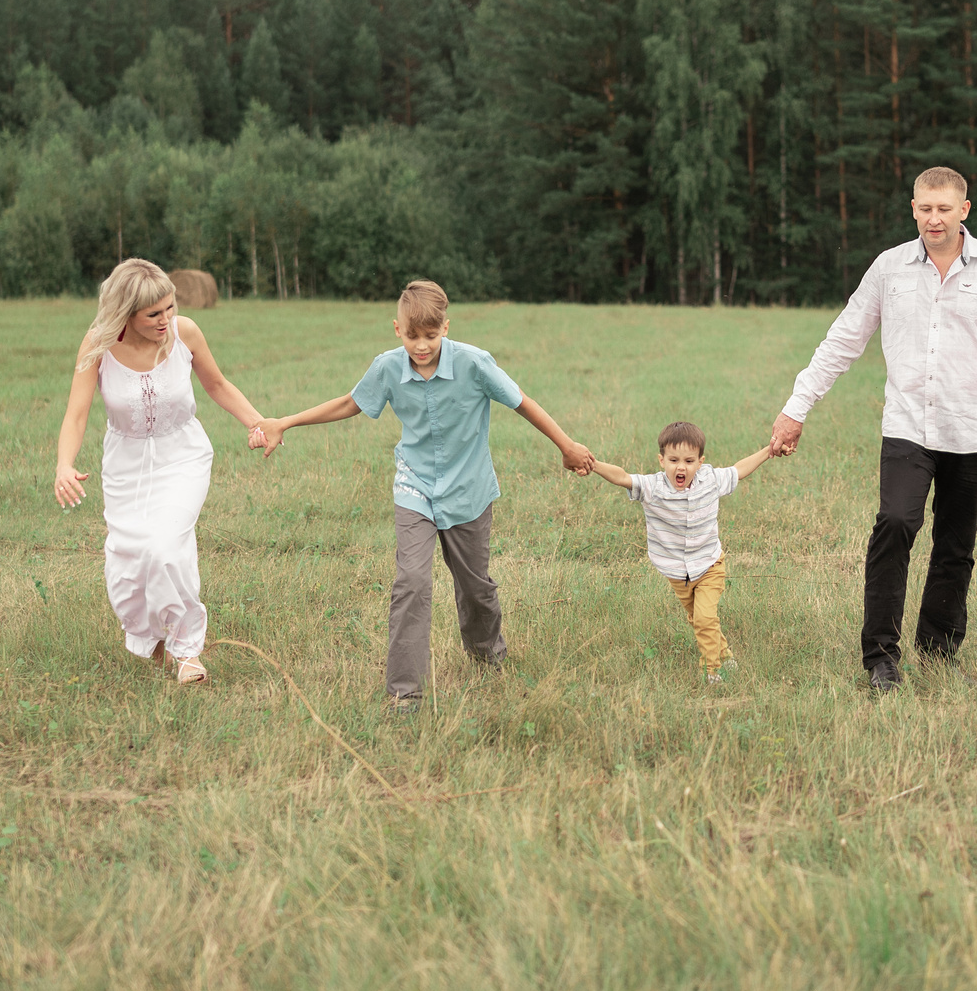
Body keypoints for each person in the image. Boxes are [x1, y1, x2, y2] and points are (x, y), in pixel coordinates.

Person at [770, 167, 977, 692]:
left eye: (944, 209)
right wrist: (796, 408)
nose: (934, 219)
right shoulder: (889, 267)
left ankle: (939, 651)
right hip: (908, 425)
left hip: (976, 428)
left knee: (955, 545)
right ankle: (881, 657)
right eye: (925, 208)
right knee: (896, 523)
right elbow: (843, 339)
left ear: (964, 210)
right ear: (913, 209)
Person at [254, 279, 593, 711]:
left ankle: (487, 657)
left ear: (445, 328)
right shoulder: (387, 367)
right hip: (414, 487)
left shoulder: (474, 363)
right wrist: (285, 422)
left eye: (430, 336)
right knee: (411, 582)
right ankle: (405, 693)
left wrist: (566, 445)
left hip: (468, 489)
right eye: (412, 335)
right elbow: (350, 403)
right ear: (397, 329)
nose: (421, 346)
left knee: (475, 587)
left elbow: (522, 402)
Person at [52, 259, 270, 686]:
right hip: (125, 465)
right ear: (126, 314)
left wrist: (257, 423)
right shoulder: (98, 344)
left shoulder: (186, 333)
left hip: (182, 456)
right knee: (129, 558)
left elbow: (218, 385)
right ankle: (150, 638)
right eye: (154, 314)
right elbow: (76, 414)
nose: (166, 319)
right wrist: (64, 464)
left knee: (167, 547)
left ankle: (187, 650)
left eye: (170, 307)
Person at [583, 420, 783, 684]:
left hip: (709, 565)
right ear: (661, 460)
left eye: (689, 461)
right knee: (699, 619)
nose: (681, 467)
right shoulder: (652, 488)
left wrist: (768, 451)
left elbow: (739, 470)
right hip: (677, 573)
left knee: (705, 617)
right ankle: (725, 656)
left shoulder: (710, 480)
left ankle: (713, 671)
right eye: (674, 460)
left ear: (700, 462)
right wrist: (593, 464)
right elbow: (622, 477)